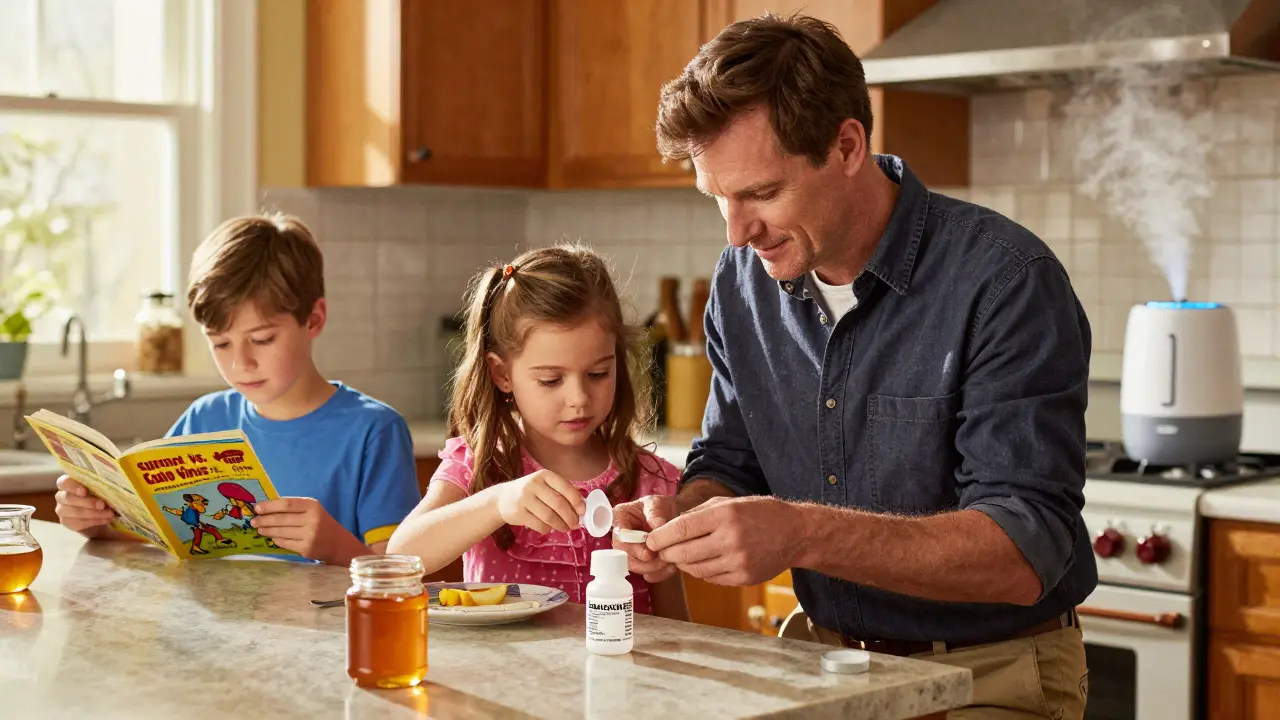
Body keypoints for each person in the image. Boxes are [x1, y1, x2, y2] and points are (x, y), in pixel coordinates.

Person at [612, 13, 1095, 719]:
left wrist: (798, 531)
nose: (737, 231)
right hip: (821, 663)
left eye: (762, 194)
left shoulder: (1005, 282)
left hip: (989, 679)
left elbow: (1023, 553)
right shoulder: (740, 284)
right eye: (717, 198)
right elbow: (732, 462)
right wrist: (684, 516)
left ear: (846, 145)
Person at [53, 214, 422, 566]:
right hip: (218, 626)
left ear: (314, 319)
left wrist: (335, 546)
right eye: (221, 344)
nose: (240, 364)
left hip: (324, 629)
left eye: (261, 339)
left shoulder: (374, 431)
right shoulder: (204, 418)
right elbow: (160, 534)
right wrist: (95, 522)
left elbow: (399, 577)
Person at [387, 245, 688, 620]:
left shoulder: (648, 482)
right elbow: (400, 557)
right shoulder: (480, 464)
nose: (579, 398)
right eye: (551, 380)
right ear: (502, 375)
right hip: (510, 675)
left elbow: (676, 626)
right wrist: (496, 504)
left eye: (598, 374)